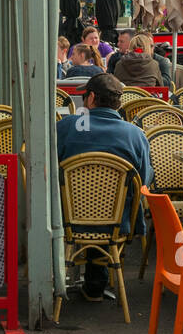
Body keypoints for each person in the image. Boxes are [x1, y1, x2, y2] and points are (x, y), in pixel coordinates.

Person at [55, 74, 155, 301]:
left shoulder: (67, 127)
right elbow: (144, 180)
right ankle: (96, 284)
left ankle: (88, 283)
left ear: (91, 98)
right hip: (118, 222)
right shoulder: (135, 135)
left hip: (69, 219)